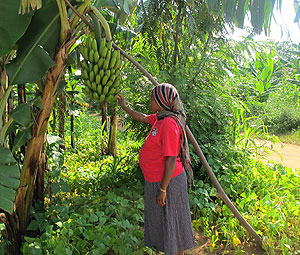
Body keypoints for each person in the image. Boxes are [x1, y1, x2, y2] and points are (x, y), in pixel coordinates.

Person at [118, 83, 194, 255]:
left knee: (172, 224)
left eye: (153, 98)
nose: (150, 100)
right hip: (159, 181)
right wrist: (124, 107)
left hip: (168, 183)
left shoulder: (168, 124)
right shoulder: (160, 118)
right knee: (167, 225)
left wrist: (163, 189)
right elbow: (143, 117)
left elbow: (171, 159)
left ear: (162, 101)